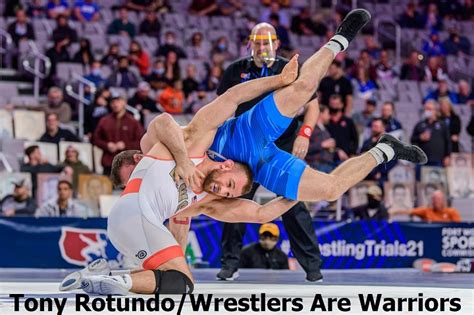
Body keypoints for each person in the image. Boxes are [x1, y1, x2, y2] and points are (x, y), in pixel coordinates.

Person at [63, 9, 426, 295]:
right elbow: (210, 213)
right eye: (228, 190)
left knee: (302, 101)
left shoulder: (188, 150)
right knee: (324, 189)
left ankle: (340, 41)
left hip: (248, 141)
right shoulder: (197, 179)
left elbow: (231, 101)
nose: (222, 189)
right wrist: (292, 194)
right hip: (251, 154)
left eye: (228, 189)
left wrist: (288, 97)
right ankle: (385, 149)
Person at [214, 21, 321, 282]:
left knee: (294, 204)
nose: (263, 47)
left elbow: (312, 106)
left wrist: (304, 135)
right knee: (233, 203)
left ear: (277, 43)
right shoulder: (235, 70)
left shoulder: (289, 68)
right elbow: (222, 107)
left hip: (280, 146)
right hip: (245, 148)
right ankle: (229, 264)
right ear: (250, 43)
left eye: (267, 42)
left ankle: (313, 268)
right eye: (258, 42)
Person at [93, 96, 144, 175]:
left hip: (127, 164)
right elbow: (96, 138)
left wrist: (125, 145)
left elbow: (141, 141)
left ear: (124, 102)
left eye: (118, 101)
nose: (115, 104)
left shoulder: (133, 122)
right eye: (113, 102)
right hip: (109, 164)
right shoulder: (104, 121)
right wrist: (107, 145)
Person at [411, 100, 451, 167]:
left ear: (435, 111)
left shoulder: (442, 125)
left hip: (438, 160)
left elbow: (448, 142)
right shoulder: (419, 124)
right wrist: (420, 137)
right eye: (426, 109)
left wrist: (447, 156)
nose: (427, 111)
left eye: (429, 109)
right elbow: (412, 139)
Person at [390, 190, 461, 223]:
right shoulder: (426, 211)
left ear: (443, 200)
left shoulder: (452, 212)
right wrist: (394, 212)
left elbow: (459, 227)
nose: (436, 201)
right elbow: (409, 211)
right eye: (434, 199)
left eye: (438, 199)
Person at [326, 94, 359, 162]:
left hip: (345, 158)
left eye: (336, 104)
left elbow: (355, 139)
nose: (334, 106)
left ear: (341, 105)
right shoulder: (326, 122)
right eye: (332, 104)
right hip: (329, 157)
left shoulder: (348, 122)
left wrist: (352, 153)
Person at [306, 104, 336, 173]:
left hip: (328, 165)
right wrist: (322, 145)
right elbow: (304, 147)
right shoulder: (310, 128)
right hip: (316, 166)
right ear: (321, 114)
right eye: (328, 113)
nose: (329, 116)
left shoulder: (325, 130)